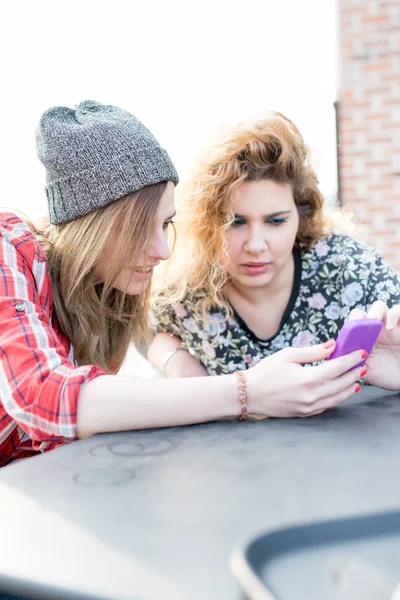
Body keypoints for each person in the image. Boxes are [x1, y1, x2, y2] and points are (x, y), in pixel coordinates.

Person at [0, 102, 368, 467]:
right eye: (140, 229)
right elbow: (45, 396)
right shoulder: (9, 249)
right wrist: (247, 392)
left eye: (165, 225)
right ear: (92, 226)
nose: (161, 251)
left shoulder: (108, 286)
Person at [148, 111, 400, 394]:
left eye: (275, 221)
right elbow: (148, 333)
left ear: (301, 215)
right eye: (236, 222)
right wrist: (174, 359)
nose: (255, 245)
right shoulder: (185, 291)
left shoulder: (354, 271)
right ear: (208, 222)